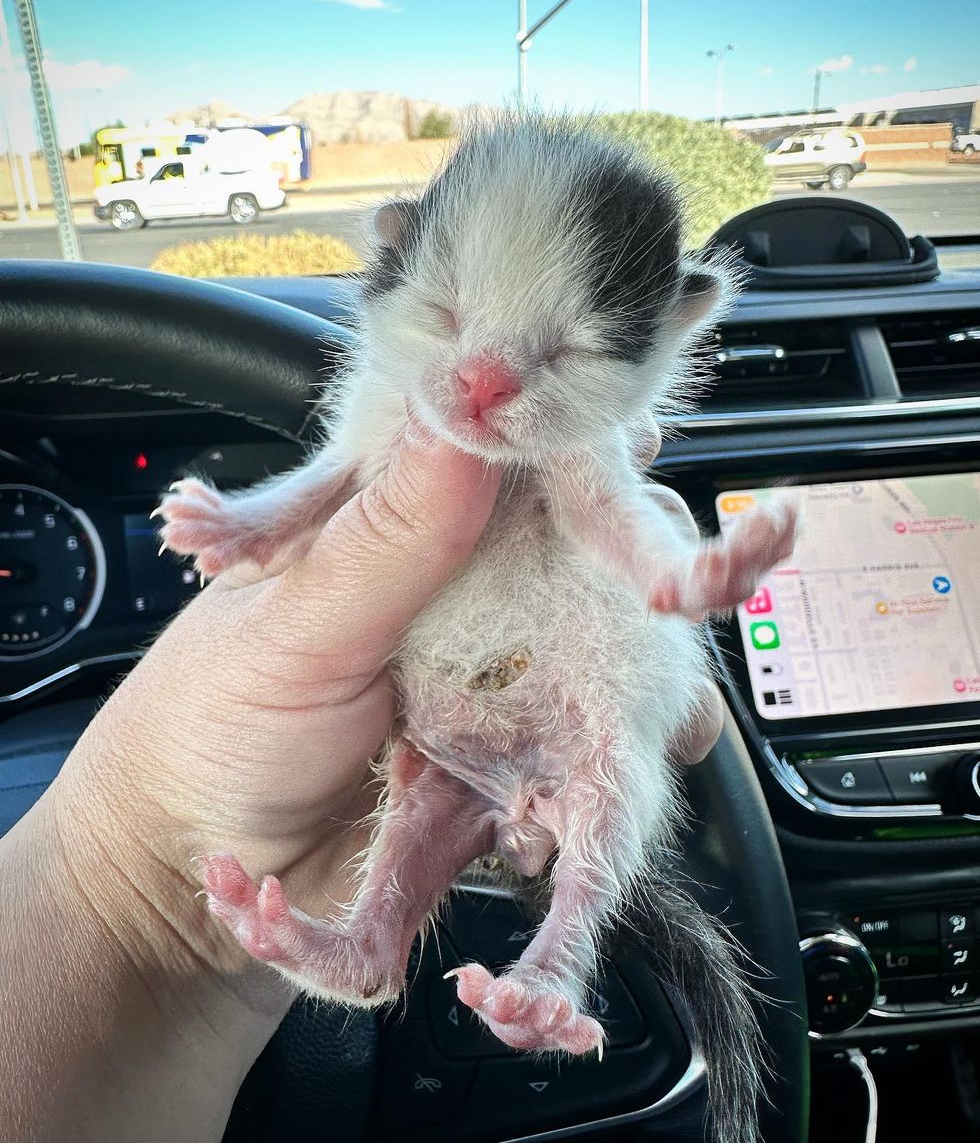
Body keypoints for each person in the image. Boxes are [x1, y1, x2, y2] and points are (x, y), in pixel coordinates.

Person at [0, 427, 723, 1143]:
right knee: (448, 783)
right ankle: (370, 941)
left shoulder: (565, 412)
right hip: (454, 726)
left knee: (613, 759)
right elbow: (340, 466)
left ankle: (559, 956)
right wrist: (253, 522)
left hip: (564, 702)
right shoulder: (436, 413)